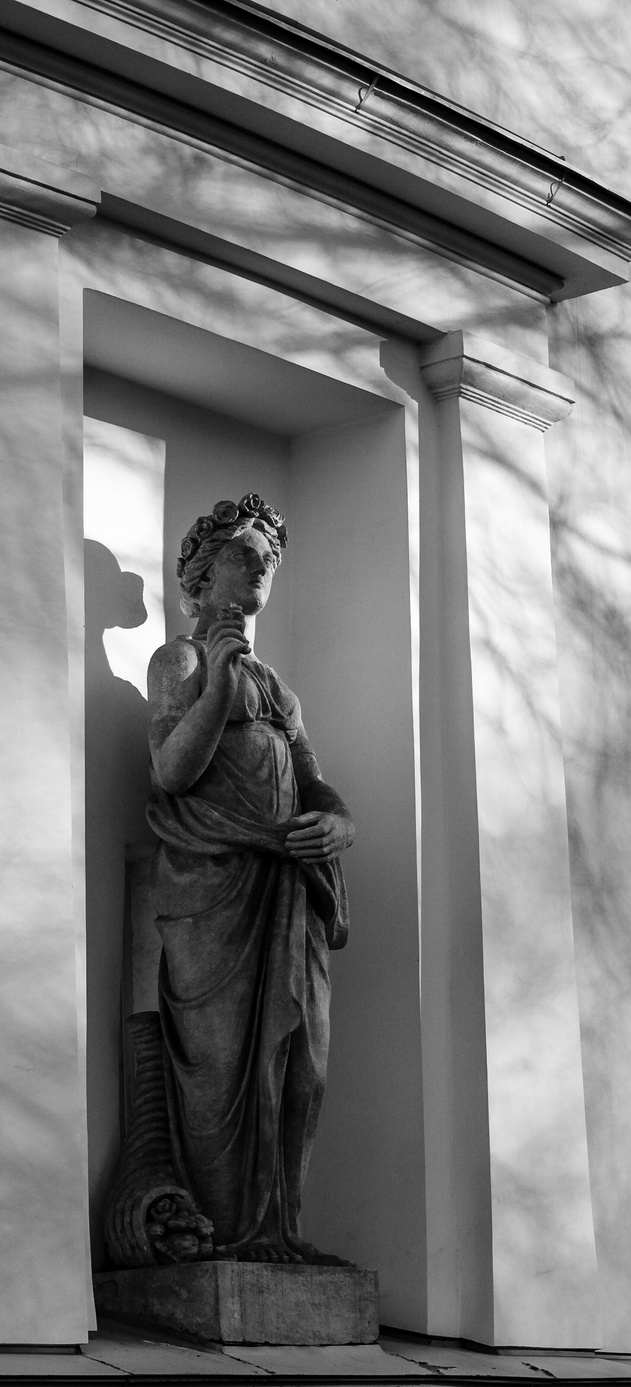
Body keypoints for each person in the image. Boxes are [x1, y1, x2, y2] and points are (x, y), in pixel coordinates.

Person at [145, 494, 354, 1264]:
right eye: (244, 552)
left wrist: (339, 823)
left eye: (270, 556)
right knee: (221, 1063)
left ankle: (280, 1230)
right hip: (213, 890)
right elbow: (172, 771)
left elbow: (312, 779)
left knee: (301, 1061)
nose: (261, 564)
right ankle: (224, 1237)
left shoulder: (278, 688)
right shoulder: (181, 661)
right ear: (202, 575)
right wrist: (218, 685)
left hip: (287, 886)